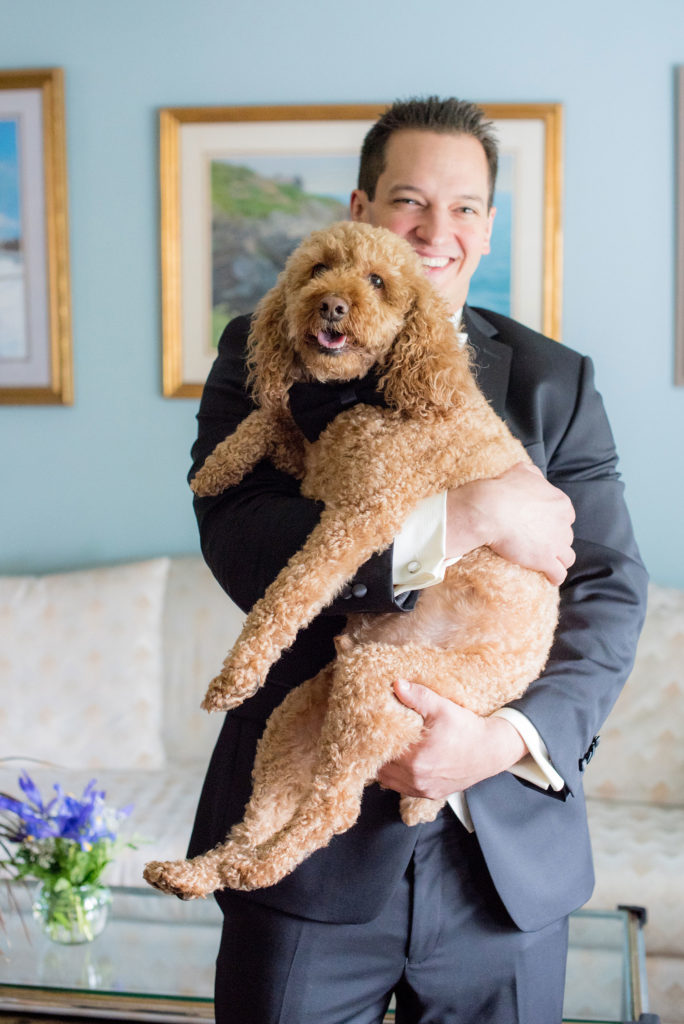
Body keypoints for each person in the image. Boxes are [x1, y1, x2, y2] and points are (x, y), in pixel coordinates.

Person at [187, 97, 648, 1024]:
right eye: (410, 200)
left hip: (504, 870)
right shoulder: (267, 345)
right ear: (360, 210)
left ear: (487, 224)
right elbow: (241, 540)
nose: (439, 231)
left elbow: (608, 587)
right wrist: (465, 515)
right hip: (309, 872)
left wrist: (502, 743)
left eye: (467, 207)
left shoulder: (557, 381)